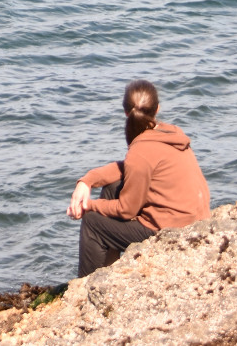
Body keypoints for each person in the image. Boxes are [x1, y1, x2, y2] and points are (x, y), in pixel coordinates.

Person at [67, 79, 210, 278]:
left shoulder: (140, 151)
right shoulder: (170, 134)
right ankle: (109, 274)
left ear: (126, 112)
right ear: (157, 109)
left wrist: (88, 206)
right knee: (112, 188)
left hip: (173, 229)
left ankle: (83, 289)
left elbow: (127, 210)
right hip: (196, 219)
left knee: (92, 223)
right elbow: (127, 169)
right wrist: (87, 181)